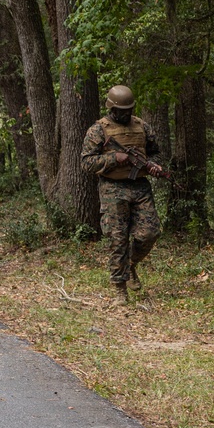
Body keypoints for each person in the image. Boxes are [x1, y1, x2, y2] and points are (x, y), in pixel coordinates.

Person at [81, 85, 163, 306]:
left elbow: (155, 151)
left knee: (150, 232)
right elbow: (86, 162)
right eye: (121, 110)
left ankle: (131, 263)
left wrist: (154, 165)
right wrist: (113, 158)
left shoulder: (142, 126)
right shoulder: (99, 130)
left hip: (140, 186)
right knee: (118, 239)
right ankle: (120, 290)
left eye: (129, 109)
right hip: (112, 188)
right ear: (111, 107)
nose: (126, 114)